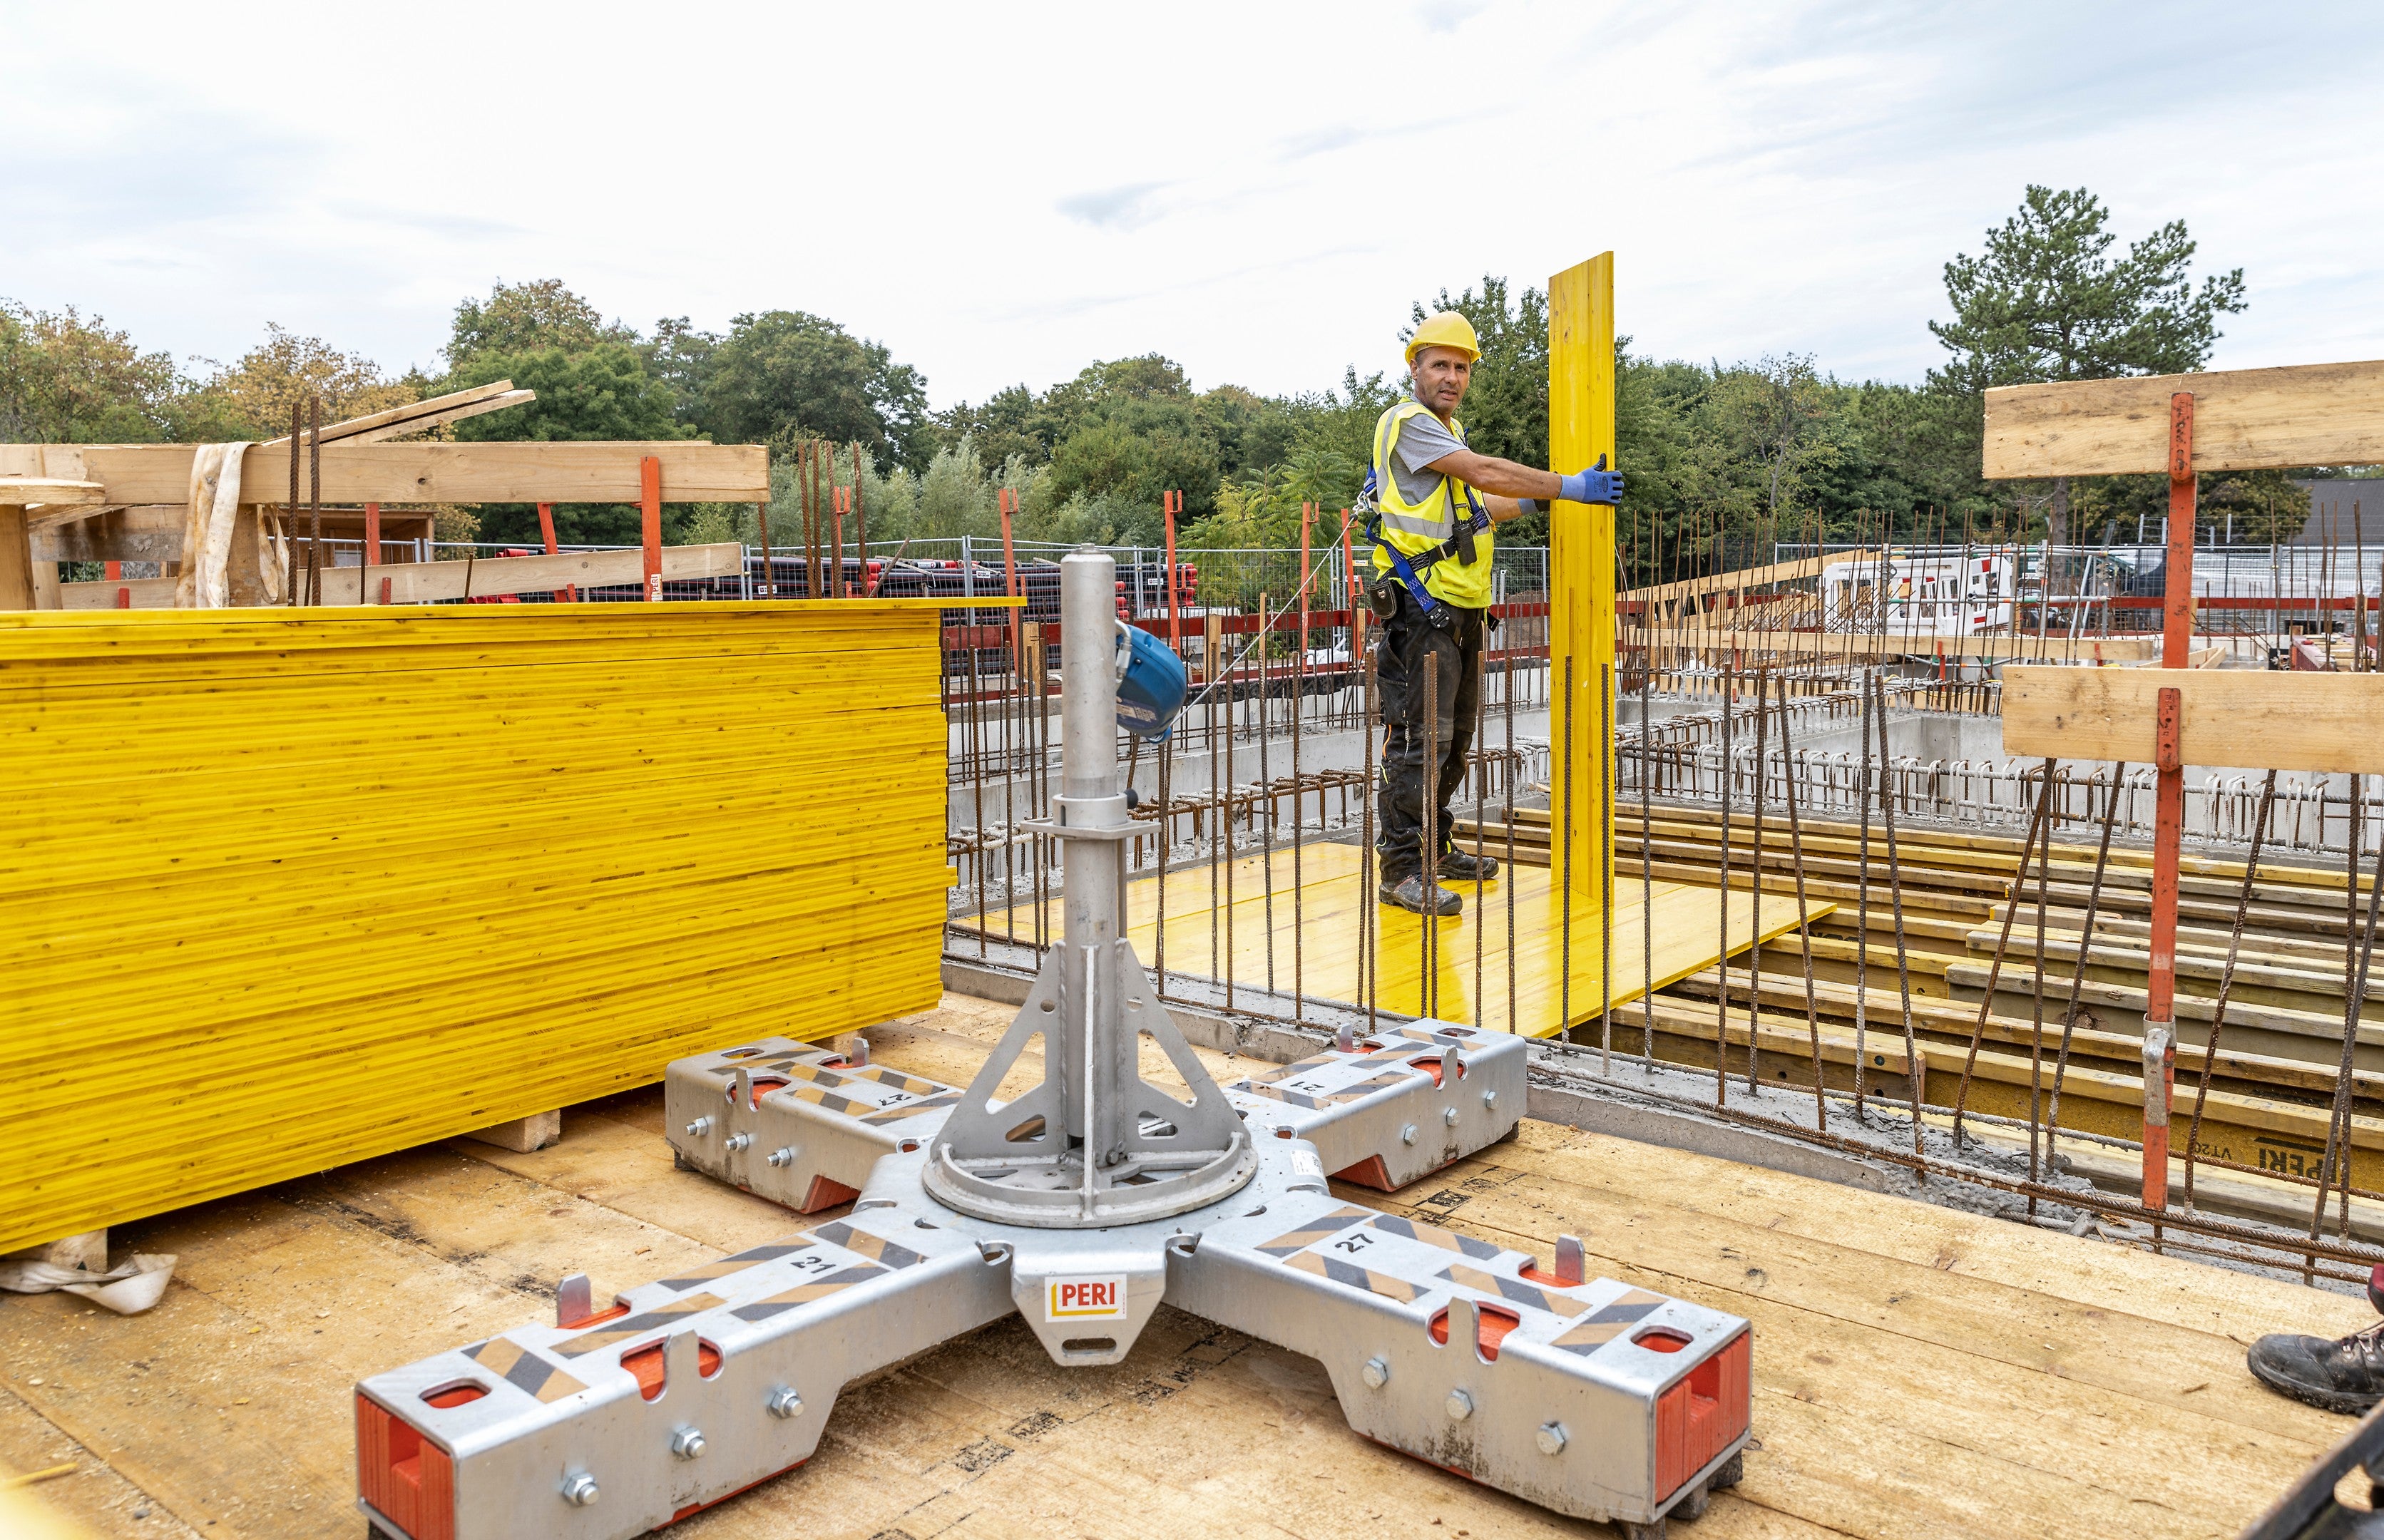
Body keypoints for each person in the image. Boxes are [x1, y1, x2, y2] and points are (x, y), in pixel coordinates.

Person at [1365, 310, 1622, 916]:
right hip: (1419, 616)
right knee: (1417, 745)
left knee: (1453, 743)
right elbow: (1483, 471)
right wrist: (1567, 485)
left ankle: (1435, 844)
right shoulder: (1408, 424)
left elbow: (1478, 504)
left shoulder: (1445, 438)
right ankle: (1400, 868)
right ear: (1415, 369)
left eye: (1460, 368)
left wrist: (1538, 501)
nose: (1451, 377)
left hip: (1460, 612)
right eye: (1439, 366)